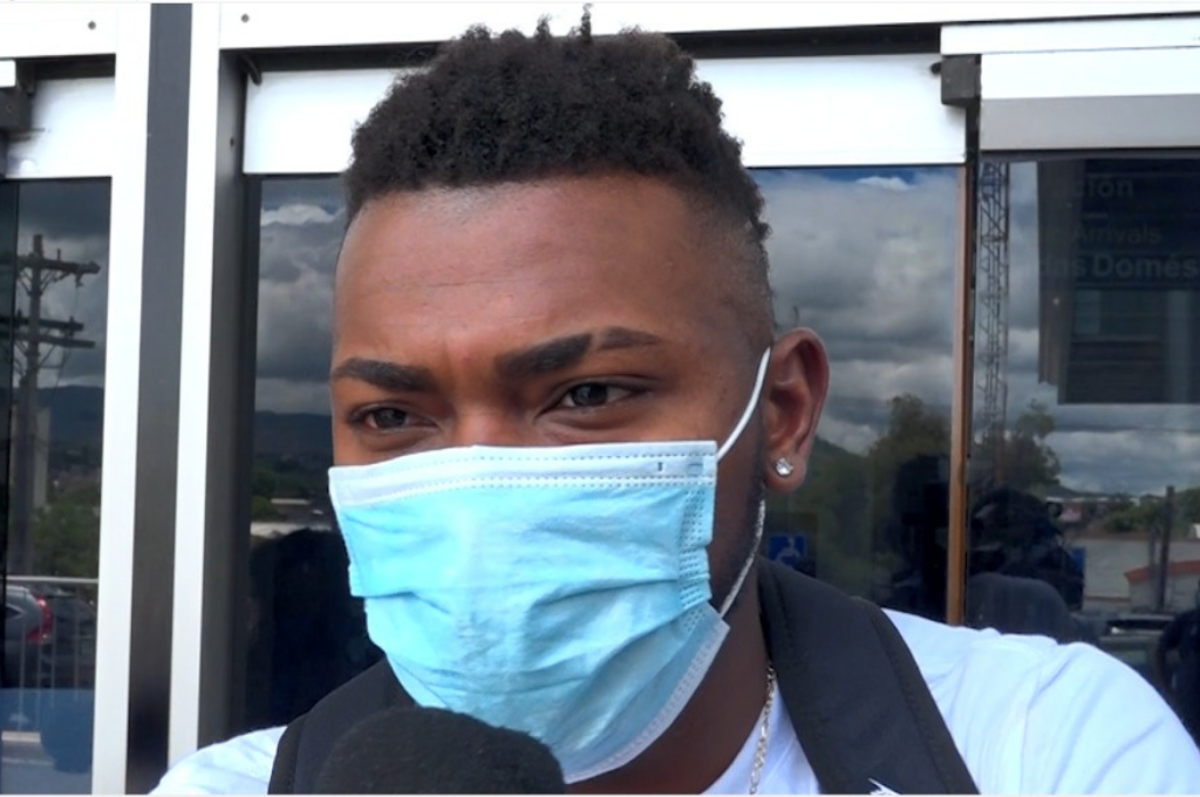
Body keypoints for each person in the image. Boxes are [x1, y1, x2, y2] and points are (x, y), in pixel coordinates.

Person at [154, 15, 1200, 794]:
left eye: (587, 393)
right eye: (392, 416)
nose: (481, 491)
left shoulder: (1040, 748)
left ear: (782, 411)